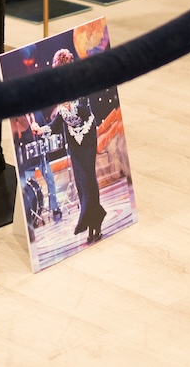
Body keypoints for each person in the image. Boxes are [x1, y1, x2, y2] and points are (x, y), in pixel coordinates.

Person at [48, 49, 108, 244]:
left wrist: (68, 106)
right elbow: (59, 121)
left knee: (89, 177)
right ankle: (94, 218)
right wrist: (43, 130)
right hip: (73, 140)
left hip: (87, 134)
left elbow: (84, 111)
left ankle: (93, 223)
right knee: (81, 182)